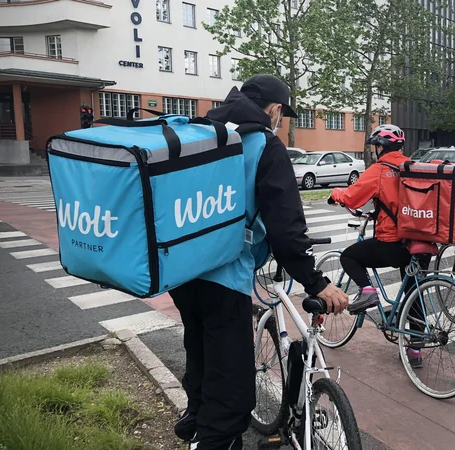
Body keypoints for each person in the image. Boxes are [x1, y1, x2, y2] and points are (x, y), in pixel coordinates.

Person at [168, 74, 350, 450]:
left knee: (200, 349)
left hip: (183, 274)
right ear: (276, 110)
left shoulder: (203, 133)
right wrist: (316, 282)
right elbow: (286, 227)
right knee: (232, 393)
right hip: (225, 277)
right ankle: (214, 439)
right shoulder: (263, 144)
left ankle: (195, 418)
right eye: (283, 116)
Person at [326, 124, 426, 368]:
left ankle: (368, 292)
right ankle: (416, 350)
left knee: (349, 256)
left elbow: (352, 196)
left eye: (375, 147)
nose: (374, 151)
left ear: (381, 147)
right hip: (419, 240)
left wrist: (335, 194)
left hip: (392, 243)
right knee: (414, 292)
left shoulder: (381, 170)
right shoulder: (414, 167)